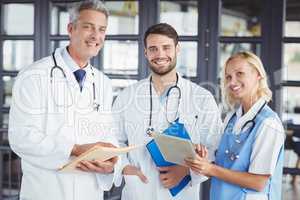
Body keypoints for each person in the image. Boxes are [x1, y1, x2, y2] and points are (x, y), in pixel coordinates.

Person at [8, 1, 119, 200]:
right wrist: (74, 150)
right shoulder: (33, 75)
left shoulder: (103, 82)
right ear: (70, 29)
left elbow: (108, 133)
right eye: (88, 27)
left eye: (101, 29)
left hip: (89, 192)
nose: (96, 36)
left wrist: (111, 162)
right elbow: (21, 137)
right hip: (46, 192)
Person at [112, 23, 222, 200]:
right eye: (153, 49)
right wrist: (124, 168)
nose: (160, 54)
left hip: (182, 194)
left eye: (166, 47)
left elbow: (215, 146)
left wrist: (186, 171)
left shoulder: (201, 97)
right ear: (146, 53)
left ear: (177, 49)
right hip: (138, 191)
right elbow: (114, 140)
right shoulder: (127, 96)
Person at [185, 51, 285, 200]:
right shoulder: (231, 118)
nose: (232, 82)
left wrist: (210, 168)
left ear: (258, 75)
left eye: (240, 74)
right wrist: (202, 159)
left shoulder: (268, 123)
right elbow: (220, 163)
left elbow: (258, 182)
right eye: (228, 77)